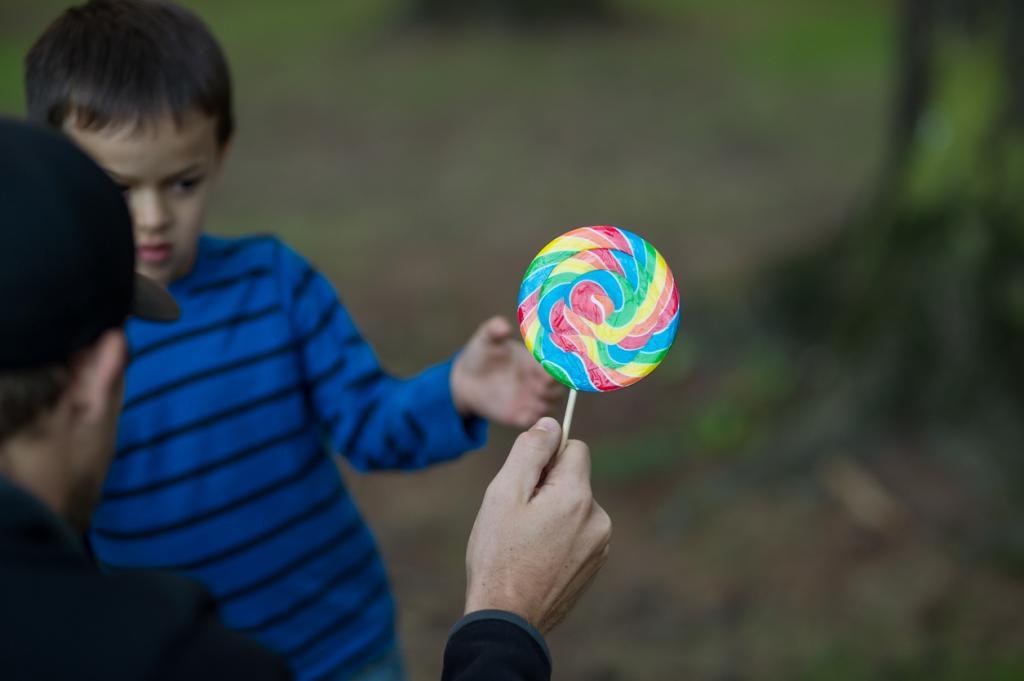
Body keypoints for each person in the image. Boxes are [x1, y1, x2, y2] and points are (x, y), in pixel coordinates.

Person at [24, 2, 563, 679]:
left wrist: (455, 387)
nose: (154, 217)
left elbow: (371, 424)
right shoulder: (59, 335)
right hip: (184, 664)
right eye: (119, 187)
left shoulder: (277, 284)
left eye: (182, 183)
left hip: (343, 648)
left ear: (220, 148)